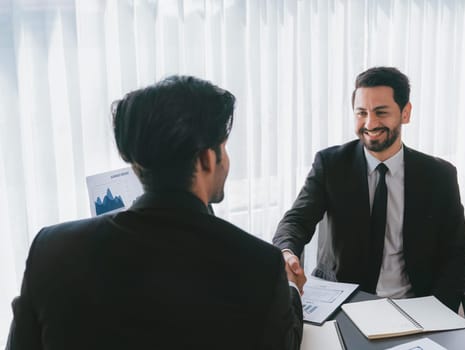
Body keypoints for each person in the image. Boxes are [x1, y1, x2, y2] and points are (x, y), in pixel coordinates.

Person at [7, 76, 303, 349]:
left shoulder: (51, 250)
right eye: (223, 148)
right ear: (206, 159)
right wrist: (290, 289)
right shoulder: (259, 267)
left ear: (137, 164)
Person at [273, 67, 465, 312]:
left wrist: (438, 313)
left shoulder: (440, 176)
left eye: (381, 112)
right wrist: (286, 251)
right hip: (344, 304)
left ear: (405, 113)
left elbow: (457, 256)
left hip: (412, 306)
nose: (369, 123)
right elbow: (296, 221)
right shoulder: (330, 165)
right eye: (361, 113)